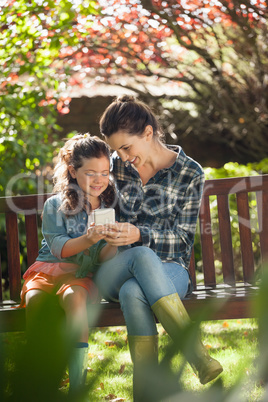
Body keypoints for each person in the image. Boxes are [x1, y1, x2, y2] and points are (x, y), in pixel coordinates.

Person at [95, 95, 223, 399]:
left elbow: (182, 239)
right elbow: (88, 193)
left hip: (171, 269)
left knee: (133, 292)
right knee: (138, 257)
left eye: (127, 147)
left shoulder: (189, 173)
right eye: (117, 150)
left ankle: (145, 393)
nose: (123, 157)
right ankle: (198, 356)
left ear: (149, 133)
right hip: (119, 267)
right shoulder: (115, 167)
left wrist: (139, 233)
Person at [19, 134, 118, 394]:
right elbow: (58, 248)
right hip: (47, 270)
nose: (99, 180)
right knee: (36, 301)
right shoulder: (56, 204)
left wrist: (114, 243)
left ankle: (78, 384)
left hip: (80, 275)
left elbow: (104, 258)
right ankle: (40, 379)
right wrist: (88, 238)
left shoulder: (110, 206)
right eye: (91, 173)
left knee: (74, 299)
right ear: (73, 171)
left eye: (105, 173)